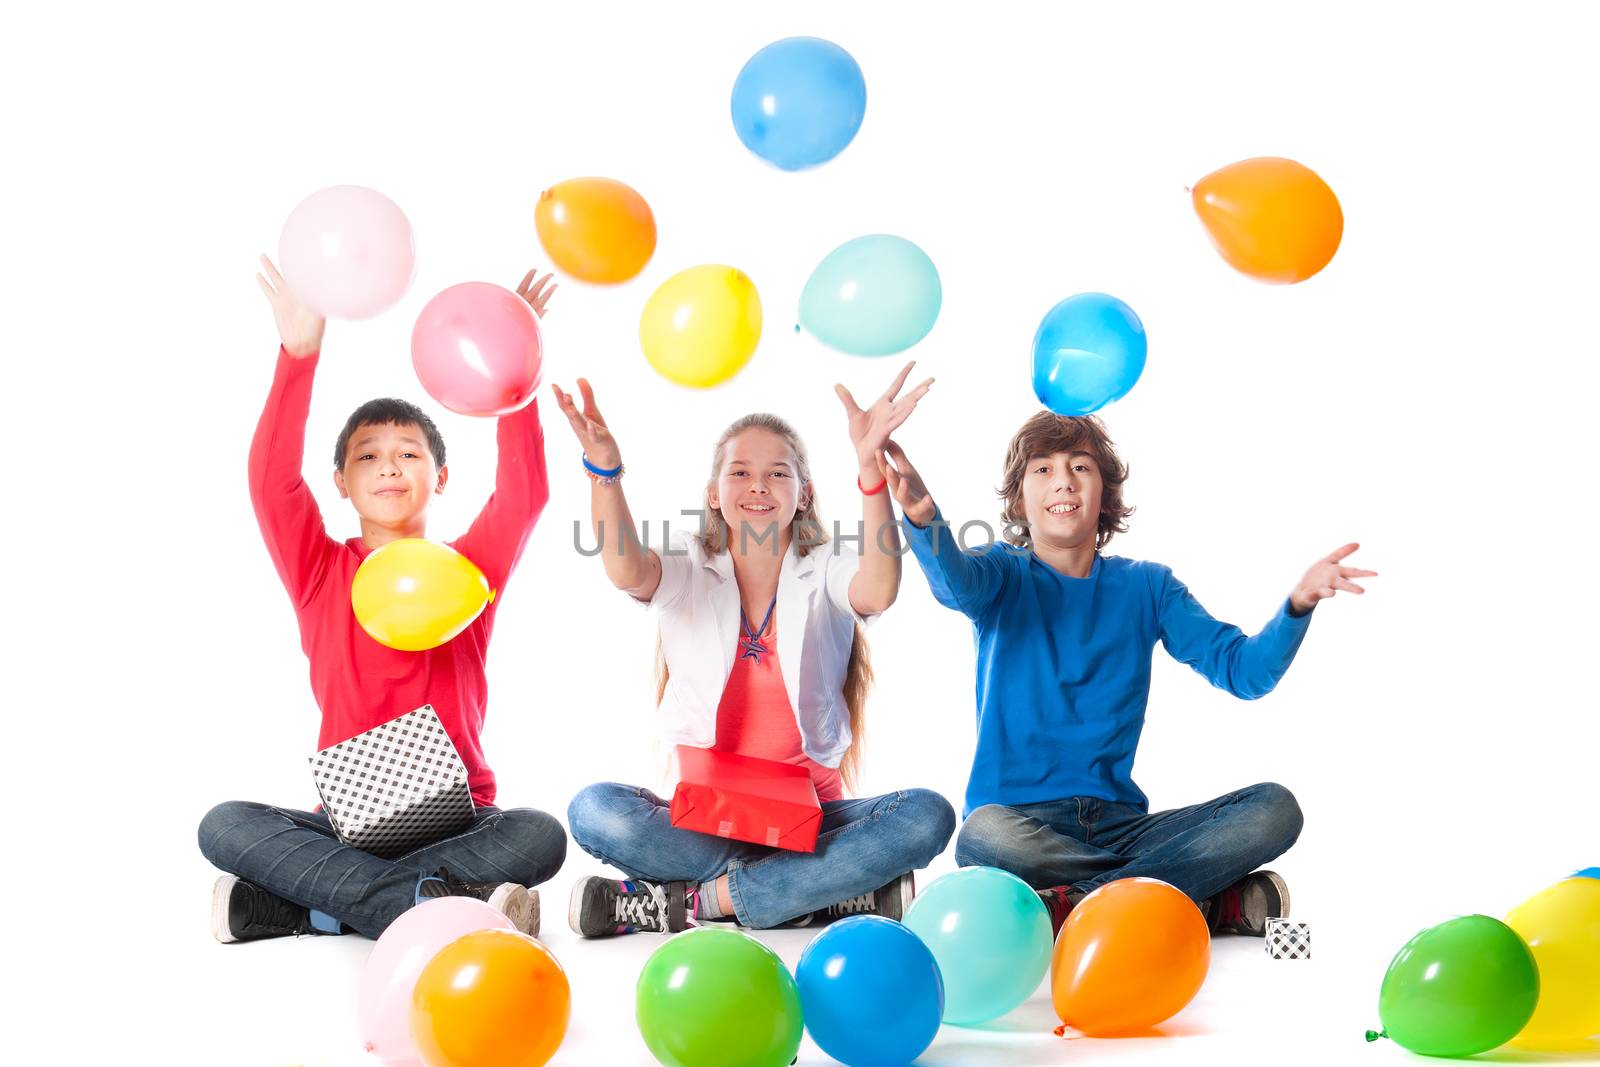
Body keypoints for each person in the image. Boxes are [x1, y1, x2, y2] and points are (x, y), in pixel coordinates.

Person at [881, 410, 1376, 936]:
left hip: (1122, 828)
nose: (1063, 480)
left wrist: (1298, 604)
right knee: (983, 837)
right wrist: (924, 519)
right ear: (1021, 499)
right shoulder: (1002, 572)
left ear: (1106, 493)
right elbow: (955, 584)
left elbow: (1244, 671)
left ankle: (1077, 904)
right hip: (1022, 824)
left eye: (1080, 467)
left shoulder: (1148, 587)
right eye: (1043, 470)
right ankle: (1183, 897)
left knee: (1275, 809)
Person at [197, 258, 566, 942]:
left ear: (442, 476)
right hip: (347, 820)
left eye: (409, 453)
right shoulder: (319, 569)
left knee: (539, 836)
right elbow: (271, 480)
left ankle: (314, 907)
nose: (390, 466)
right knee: (222, 823)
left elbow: (525, 494)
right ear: (339, 480)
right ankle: (436, 901)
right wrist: (298, 354)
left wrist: (514, 376)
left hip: (461, 819)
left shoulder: (470, 570)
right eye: (369, 456)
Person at [557, 365, 957, 936]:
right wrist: (605, 470)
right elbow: (627, 569)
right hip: (708, 818)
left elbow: (878, 589)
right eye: (740, 472)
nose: (758, 486)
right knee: (594, 809)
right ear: (715, 495)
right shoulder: (690, 562)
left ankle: (694, 902)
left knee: (927, 816)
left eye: (778, 473)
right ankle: (814, 893)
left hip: (812, 822)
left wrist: (870, 472)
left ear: (804, 494)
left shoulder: (825, 567)